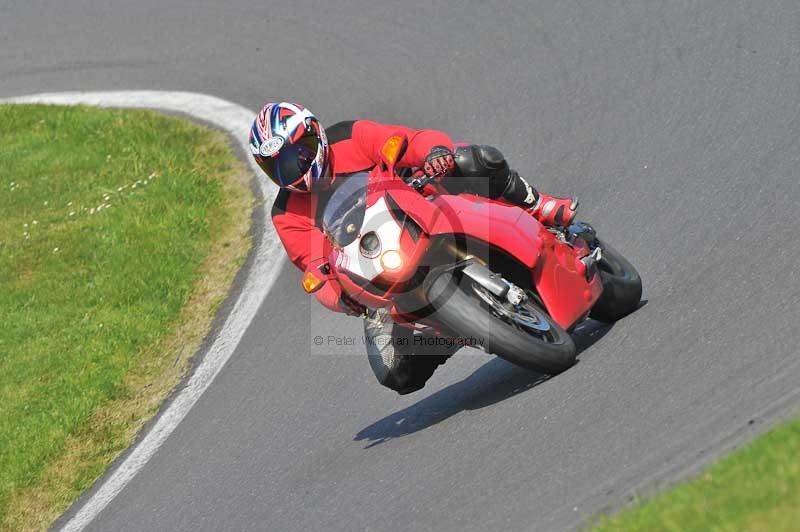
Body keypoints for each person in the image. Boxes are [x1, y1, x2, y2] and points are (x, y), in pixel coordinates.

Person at [249, 102, 578, 394]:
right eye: (281, 166)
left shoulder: (349, 135)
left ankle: (539, 205)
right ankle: (449, 331)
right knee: (396, 374)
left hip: (421, 206)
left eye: (300, 152)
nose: (296, 167)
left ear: (316, 134)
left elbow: (407, 140)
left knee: (471, 159)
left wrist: (434, 153)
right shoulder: (286, 214)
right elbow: (314, 265)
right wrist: (341, 297)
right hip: (377, 277)